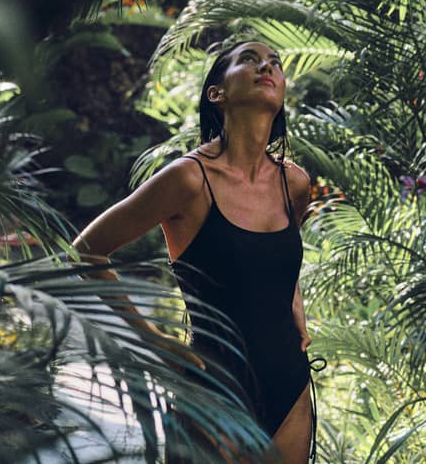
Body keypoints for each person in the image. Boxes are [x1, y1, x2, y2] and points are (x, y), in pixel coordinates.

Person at [72, 40, 314, 463]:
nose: (266, 66)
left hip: (290, 386)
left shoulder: (293, 183)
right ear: (217, 93)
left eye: (275, 62)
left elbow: (281, 255)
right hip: (210, 386)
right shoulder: (189, 179)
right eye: (250, 60)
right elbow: (87, 251)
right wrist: (154, 341)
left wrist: (295, 301)